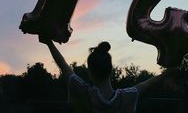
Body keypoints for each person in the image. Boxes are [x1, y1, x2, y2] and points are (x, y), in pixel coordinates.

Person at [39, 36, 175, 113]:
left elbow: (64, 65)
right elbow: (148, 83)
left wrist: (48, 42)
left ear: (90, 72)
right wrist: (170, 69)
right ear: (111, 70)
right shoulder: (126, 97)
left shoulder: (83, 92)